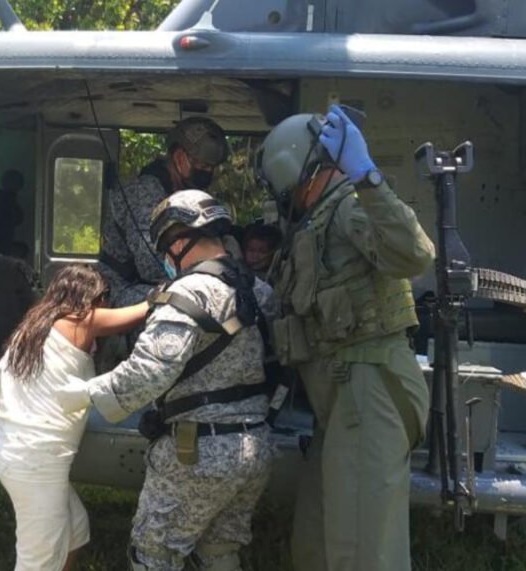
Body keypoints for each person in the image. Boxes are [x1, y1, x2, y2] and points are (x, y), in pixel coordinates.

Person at [255, 105, 435, 571]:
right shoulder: (314, 222)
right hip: (340, 397)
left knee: (362, 553)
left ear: (292, 171)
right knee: (316, 543)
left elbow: (414, 254)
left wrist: (368, 177)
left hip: (368, 388)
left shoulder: (348, 206)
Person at [57, 191, 275, 571]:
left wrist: (81, 394)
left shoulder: (187, 293)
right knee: (219, 551)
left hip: (199, 454)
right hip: (255, 446)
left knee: (154, 554)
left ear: (177, 243)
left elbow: (148, 372)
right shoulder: (258, 290)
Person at [0, 265, 149, 571]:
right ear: (91, 297)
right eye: (104, 297)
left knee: (76, 530)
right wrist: (175, 290)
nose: (106, 304)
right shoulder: (81, 320)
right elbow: (141, 312)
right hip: (37, 460)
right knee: (37, 560)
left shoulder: (33, 327)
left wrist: (7, 418)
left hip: (17, 452)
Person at [97, 117, 229, 309]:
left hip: (157, 284)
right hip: (122, 289)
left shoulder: (183, 191)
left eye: (212, 168)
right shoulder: (143, 193)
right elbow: (151, 265)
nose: (208, 172)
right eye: (203, 166)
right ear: (180, 157)